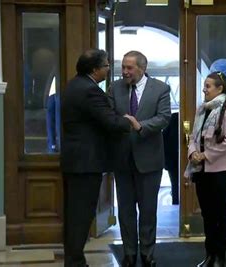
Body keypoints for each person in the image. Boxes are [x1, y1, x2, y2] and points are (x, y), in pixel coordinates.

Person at [60, 49, 133, 267]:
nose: (110, 69)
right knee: (81, 216)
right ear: (95, 69)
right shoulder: (90, 91)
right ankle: (75, 262)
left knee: (74, 214)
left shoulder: (74, 85)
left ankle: (74, 260)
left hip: (75, 161)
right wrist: (129, 121)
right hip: (85, 163)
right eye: (106, 65)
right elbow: (110, 121)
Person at [110, 51, 171, 267]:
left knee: (147, 210)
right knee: (126, 211)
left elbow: (164, 118)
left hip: (149, 160)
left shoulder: (161, 88)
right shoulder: (115, 88)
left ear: (142, 68)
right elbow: (109, 116)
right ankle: (128, 253)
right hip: (122, 160)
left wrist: (141, 126)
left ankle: (147, 253)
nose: (124, 72)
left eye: (129, 68)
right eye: (123, 67)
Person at [184, 71, 226, 267]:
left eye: (208, 86)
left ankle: (220, 256)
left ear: (219, 89)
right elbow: (193, 137)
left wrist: (205, 155)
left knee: (220, 212)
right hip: (201, 170)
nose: (204, 89)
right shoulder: (202, 109)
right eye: (204, 86)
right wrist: (193, 154)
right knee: (207, 213)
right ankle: (209, 254)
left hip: (221, 170)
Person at [162, 112, 179, 205]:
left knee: (175, 184)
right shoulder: (178, 119)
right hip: (178, 159)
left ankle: (176, 204)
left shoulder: (172, 120)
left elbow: (163, 140)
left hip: (171, 161)